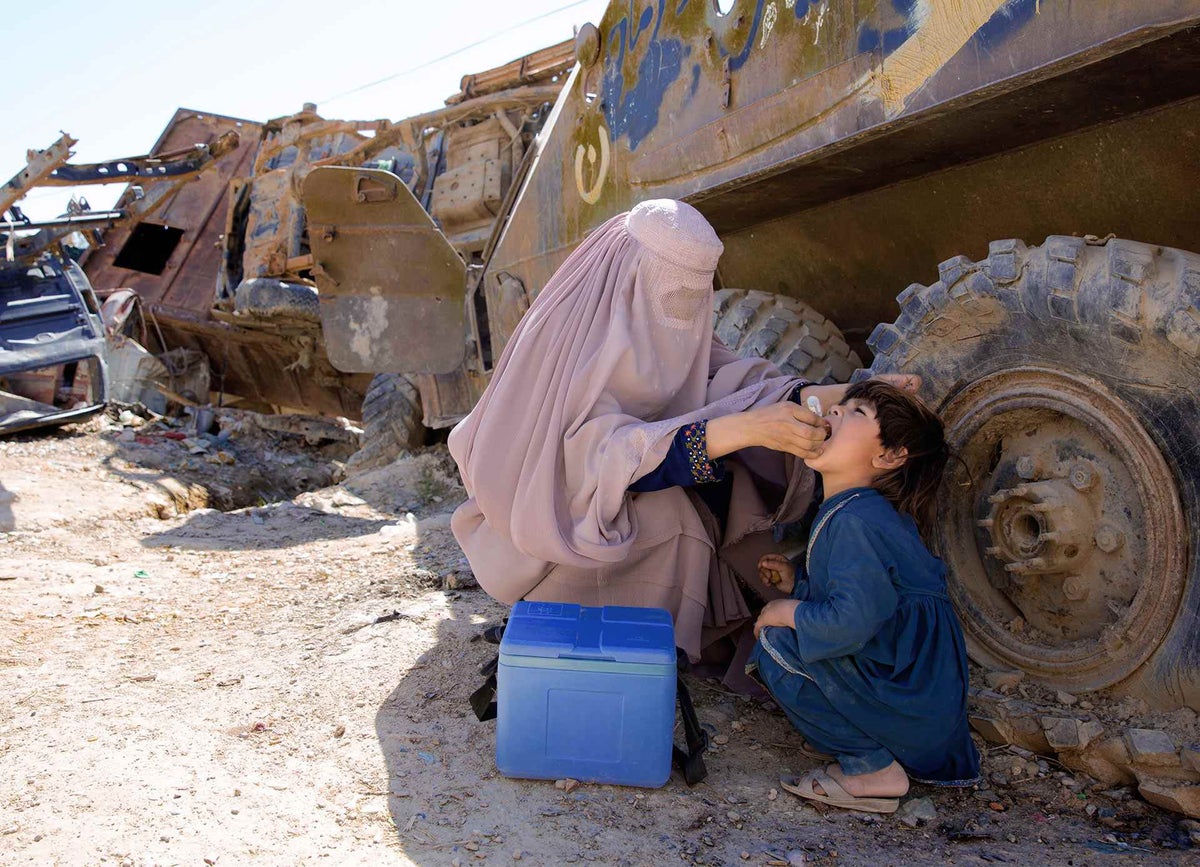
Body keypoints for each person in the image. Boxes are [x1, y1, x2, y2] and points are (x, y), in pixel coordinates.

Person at [449, 199, 843, 664]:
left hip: (612, 497)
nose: (684, 305)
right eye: (673, 288)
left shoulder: (669, 319)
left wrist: (855, 394)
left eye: (697, 292)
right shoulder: (569, 337)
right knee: (673, 515)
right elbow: (592, 466)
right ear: (631, 270)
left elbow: (737, 382)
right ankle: (588, 623)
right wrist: (741, 428)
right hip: (545, 538)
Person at [748, 379, 981, 813]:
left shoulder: (855, 519)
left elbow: (851, 623)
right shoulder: (862, 511)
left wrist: (787, 609)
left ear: (889, 456)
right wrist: (798, 582)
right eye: (842, 406)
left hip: (913, 711)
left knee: (774, 646)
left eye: (856, 412)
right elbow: (871, 609)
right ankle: (874, 742)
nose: (835, 412)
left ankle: (871, 768)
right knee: (790, 632)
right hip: (922, 712)